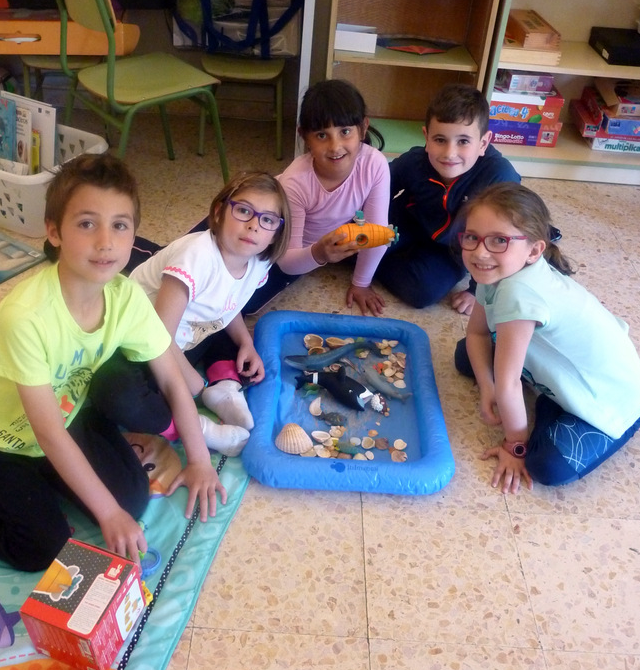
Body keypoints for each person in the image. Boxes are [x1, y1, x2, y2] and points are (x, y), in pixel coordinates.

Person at [0, 153, 226, 573]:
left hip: (64, 412)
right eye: (87, 224)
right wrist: (107, 514)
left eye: (120, 225)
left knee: (131, 498)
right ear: (54, 231)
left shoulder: (126, 297)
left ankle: (54, 479)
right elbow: (48, 433)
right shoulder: (26, 316)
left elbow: (171, 381)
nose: (106, 242)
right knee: (41, 546)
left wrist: (200, 461)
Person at [453, 182, 640, 494]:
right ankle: (548, 402)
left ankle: (550, 405)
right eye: (472, 237)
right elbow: (477, 334)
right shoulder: (494, 271)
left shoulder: (518, 294)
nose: (480, 252)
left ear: (534, 250)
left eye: (499, 240)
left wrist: (515, 445)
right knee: (467, 356)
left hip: (615, 400)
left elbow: (509, 384)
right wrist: (487, 387)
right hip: (573, 371)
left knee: (545, 465)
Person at [122, 171, 290, 446]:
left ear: (275, 234)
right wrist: (192, 384)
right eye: (244, 211)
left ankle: (223, 387)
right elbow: (159, 334)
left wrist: (246, 343)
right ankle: (194, 427)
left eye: (268, 220)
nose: (254, 226)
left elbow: (228, 305)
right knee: (123, 394)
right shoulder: (196, 256)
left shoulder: (258, 260)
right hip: (142, 346)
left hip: (184, 338)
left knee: (223, 327)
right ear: (219, 212)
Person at [244, 78, 391, 317]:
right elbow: (287, 260)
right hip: (273, 225)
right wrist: (319, 254)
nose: (335, 146)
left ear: (363, 128)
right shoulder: (295, 183)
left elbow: (377, 234)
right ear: (305, 136)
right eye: (322, 135)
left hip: (313, 238)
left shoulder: (375, 164)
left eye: (345, 132)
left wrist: (361, 283)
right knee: (240, 300)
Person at [374, 83, 520, 315]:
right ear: (426, 137)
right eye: (440, 140)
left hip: (453, 247)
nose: (449, 153)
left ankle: (379, 262)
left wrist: (477, 291)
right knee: (353, 244)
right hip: (411, 221)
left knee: (422, 291)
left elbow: (502, 239)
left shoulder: (499, 176)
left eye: (463, 141)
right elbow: (377, 192)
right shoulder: (414, 161)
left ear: (483, 143)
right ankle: (374, 258)